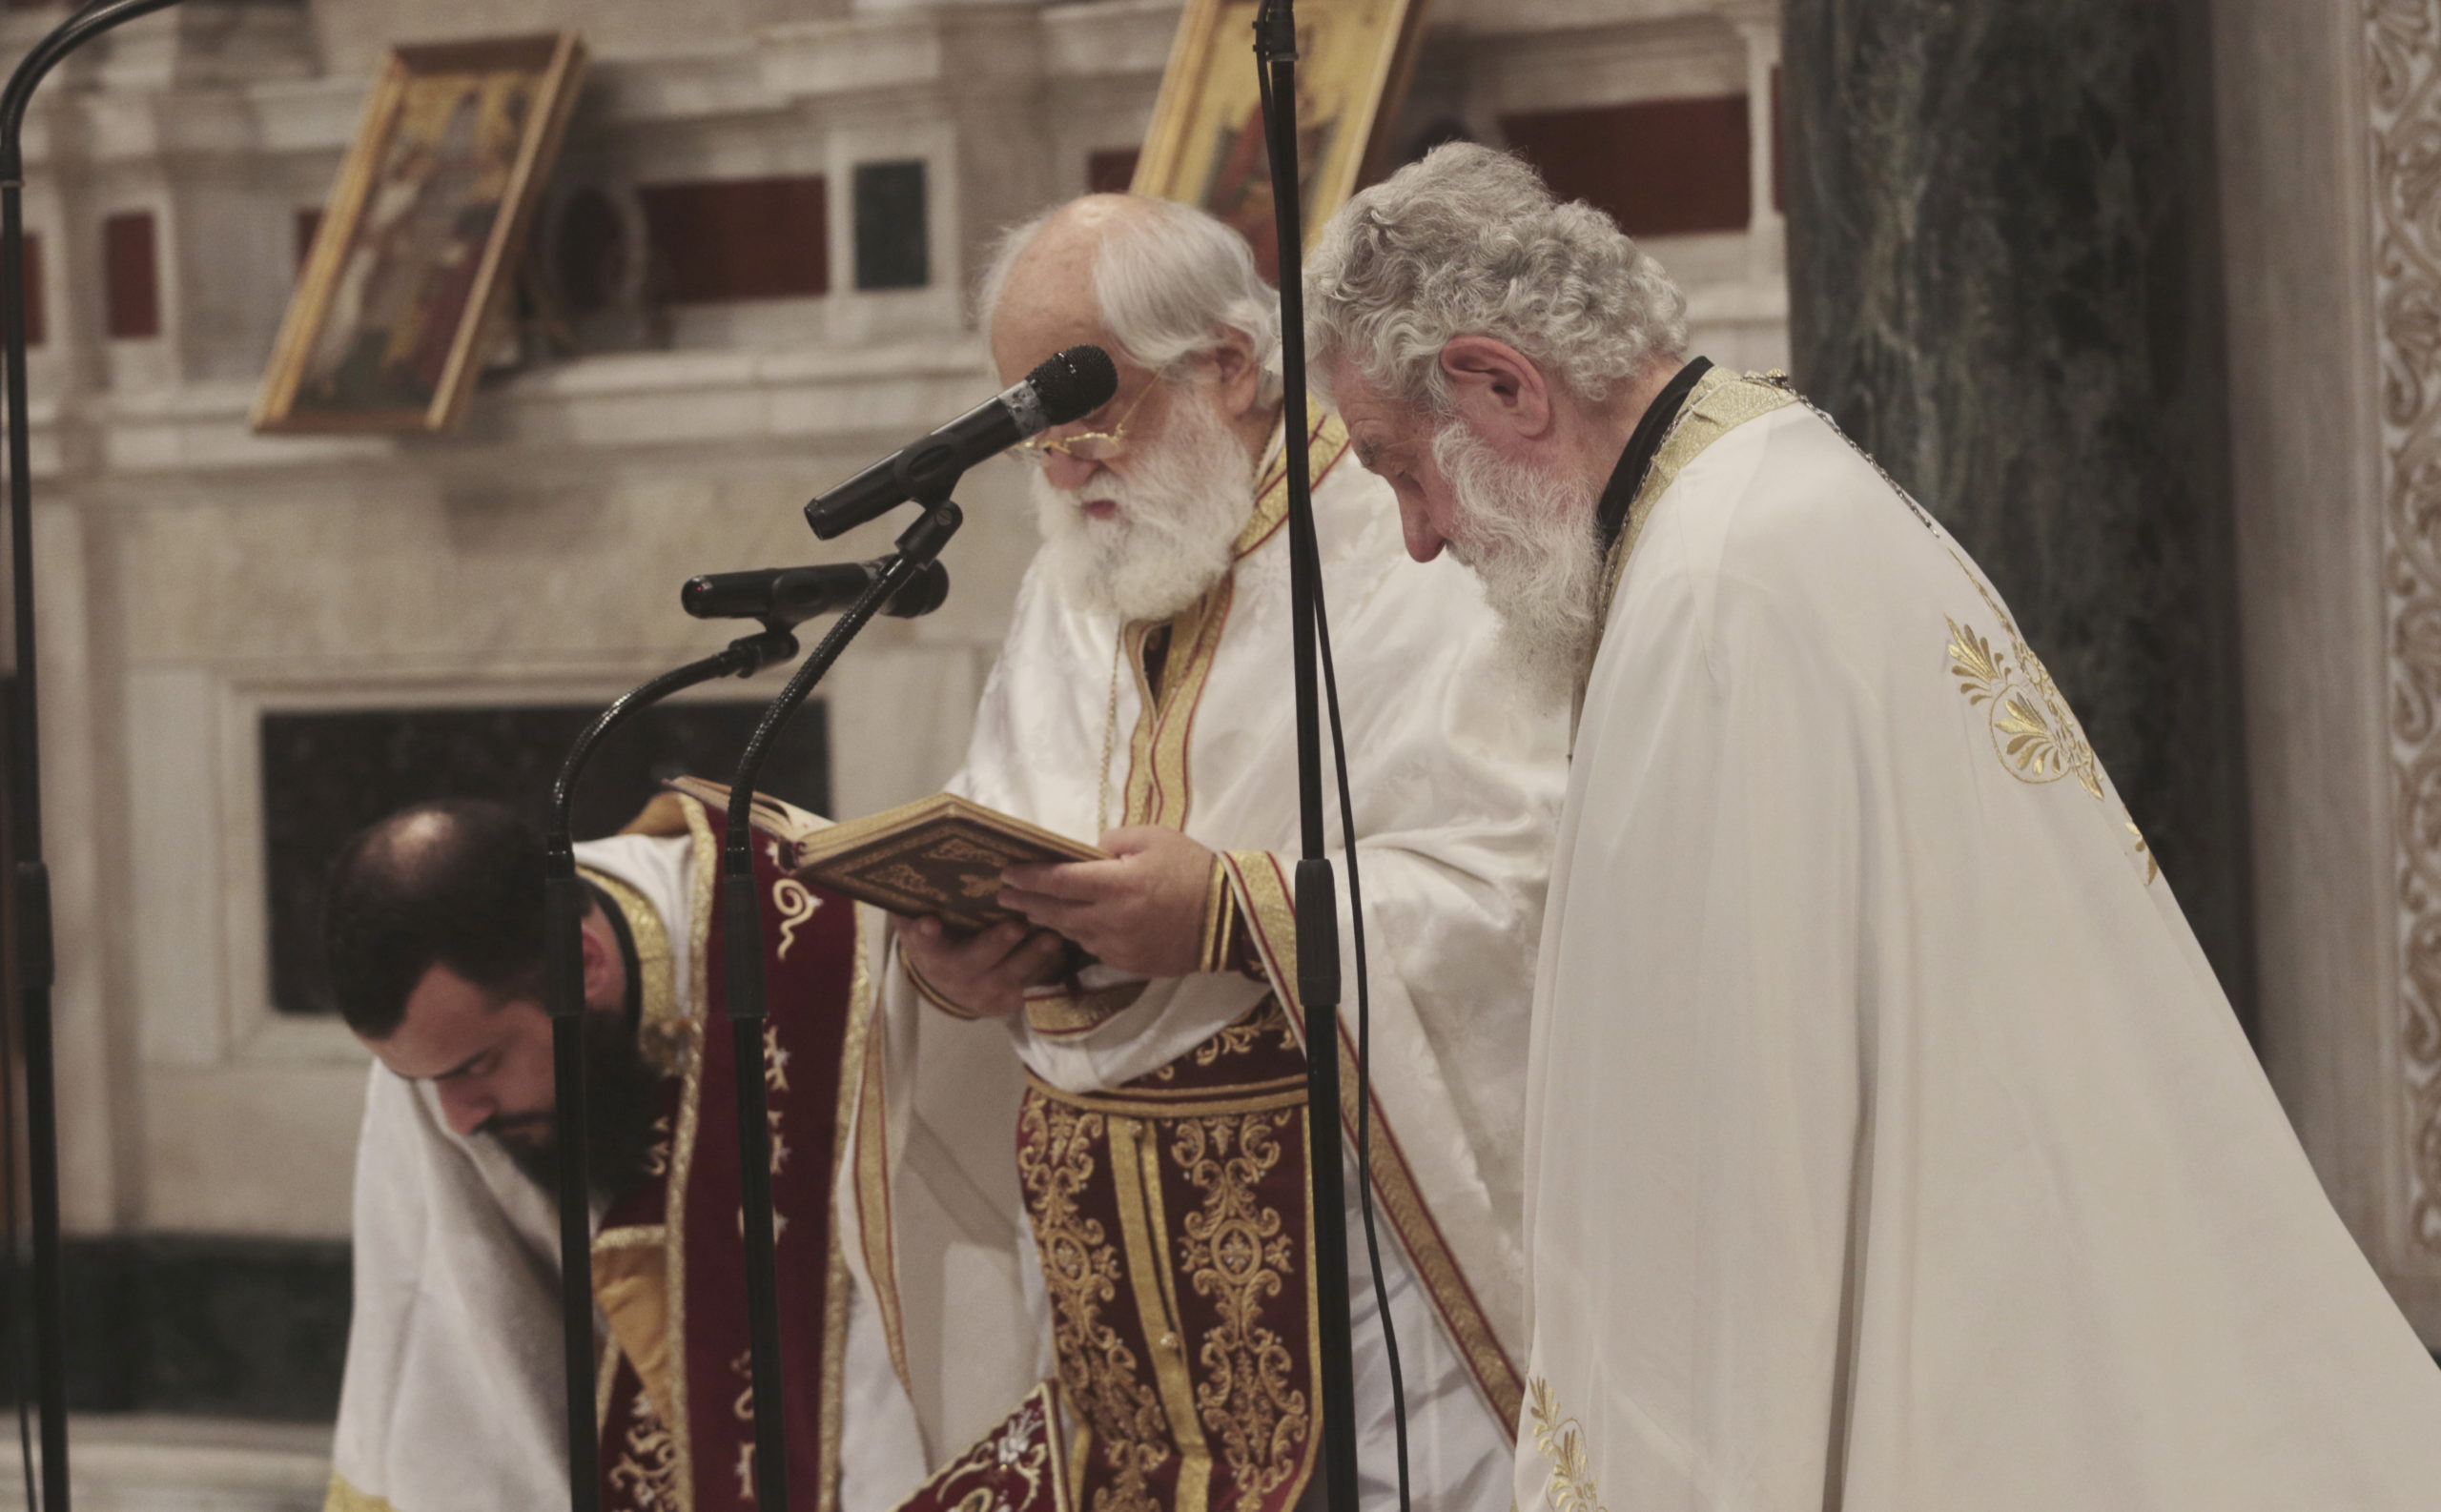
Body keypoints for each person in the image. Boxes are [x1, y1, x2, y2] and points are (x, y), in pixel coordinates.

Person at [1302, 140, 2441, 1511]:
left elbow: (1718, 1183)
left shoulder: (1713, 590)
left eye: (1398, 467)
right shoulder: (1767, 492)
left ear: (1501, 383)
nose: (1419, 536)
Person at [839, 194, 1569, 1512]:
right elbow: (1001, 800)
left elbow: (1530, 883)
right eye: (1032, 430)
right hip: (1109, 1310)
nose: (1062, 469)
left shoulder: (1412, 548)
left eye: (1084, 412)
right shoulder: (1085, 564)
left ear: (1228, 365)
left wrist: (1235, 913)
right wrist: (952, 963)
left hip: (1360, 1284)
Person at [320, 793, 923, 1512]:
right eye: (422, 1083)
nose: (456, 1119)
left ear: (582, 966)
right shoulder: (444, 1052)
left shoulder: (837, 957)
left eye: (480, 1067)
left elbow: (899, 1327)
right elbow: (478, 1396)